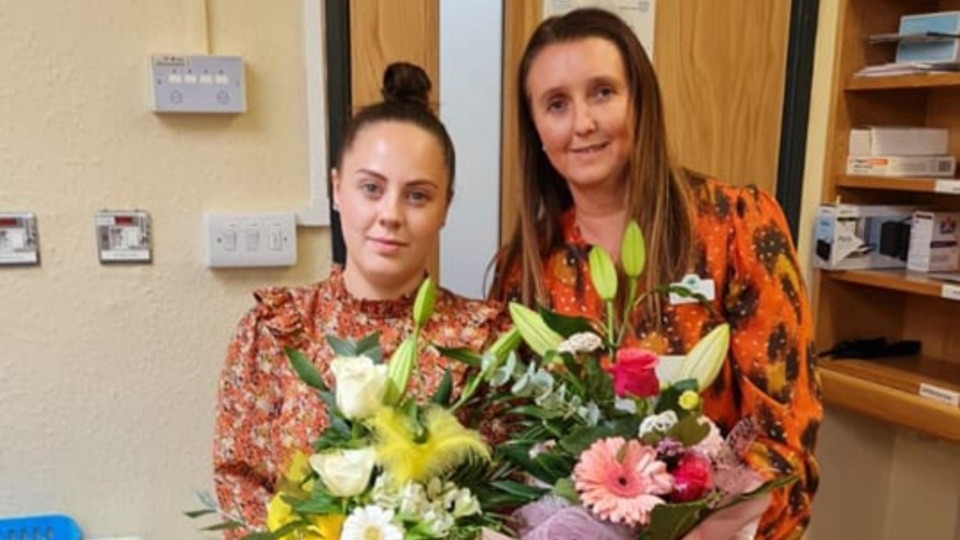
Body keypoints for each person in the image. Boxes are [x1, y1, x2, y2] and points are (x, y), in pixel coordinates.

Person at [489, 8, 822, 540]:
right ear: (536, 128)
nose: (583, 123)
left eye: (602, 92)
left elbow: (785, 438)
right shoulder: (528, 270)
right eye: (556, 104)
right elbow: (514, 446)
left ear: (640, 100)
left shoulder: (735, 227)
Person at [213, 62, 504, 536]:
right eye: (371, 188)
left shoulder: (484, 342)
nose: (389, 215)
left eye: (417, 196)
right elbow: (239, 485)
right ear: (336, 190)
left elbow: (503, 501)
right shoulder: (273, 331)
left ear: (445, 207)